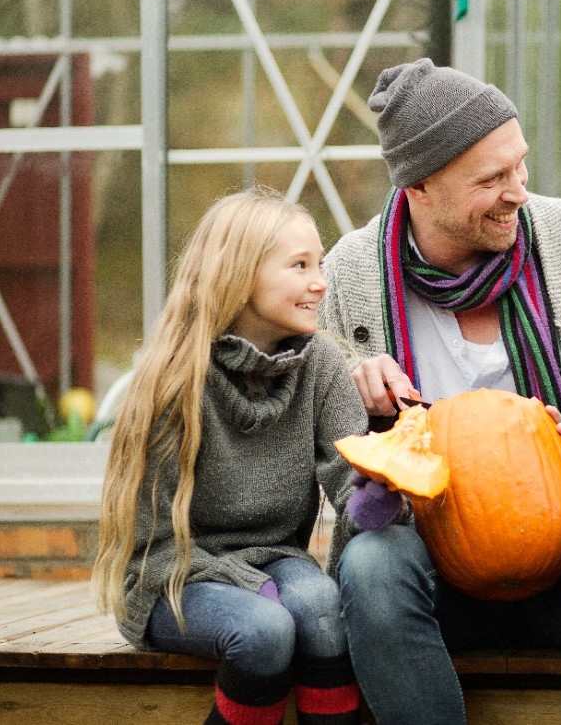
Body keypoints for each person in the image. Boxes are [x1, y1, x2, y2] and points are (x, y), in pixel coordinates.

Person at [317, 58, 561, 725]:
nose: (519, 192)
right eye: (492, 178)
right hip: (432, 561)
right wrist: (371, 428)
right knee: (369, 567)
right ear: (420, 187)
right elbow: (344, 490)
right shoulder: (351, 277)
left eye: (520, 166)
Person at [92, 186, 367, 725]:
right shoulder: (175, 379)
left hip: (278, 560)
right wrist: (255, 590)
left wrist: (379, 495)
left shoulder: (322, 367)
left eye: (320, 263)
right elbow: (154, 544)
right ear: (241, 276)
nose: (321, 282)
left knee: (324, 614)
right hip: (173, 576)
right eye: (300, 265)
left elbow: (350, 481)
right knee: (265, 631)